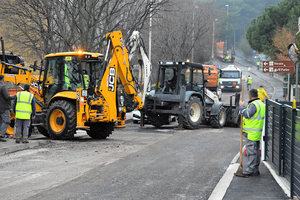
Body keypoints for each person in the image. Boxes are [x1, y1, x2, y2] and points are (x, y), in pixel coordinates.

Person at [239, 89, 265, 176]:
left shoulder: (254, 105)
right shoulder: (261, 103)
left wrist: (241, 107)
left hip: (251, 132)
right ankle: (256, 168)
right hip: (257, 131)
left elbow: (247, 114)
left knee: (251, 151)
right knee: (256, 150)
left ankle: (251, 168)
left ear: (250, 96)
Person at [0, 75, 16, 142]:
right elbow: (7, 97)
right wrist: (15, 96)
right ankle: (1, 135)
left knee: (0, 121)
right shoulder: (3, 87)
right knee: (7, 121)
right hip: (4, 107)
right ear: (3, 80)